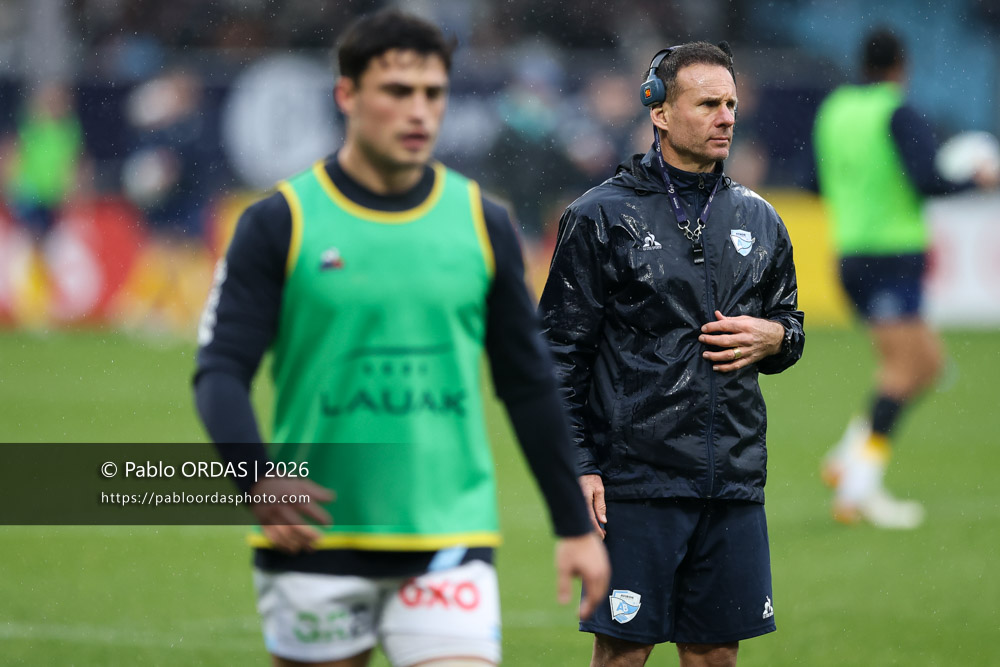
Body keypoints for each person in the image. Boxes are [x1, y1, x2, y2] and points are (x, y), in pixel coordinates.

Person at [193, 9, 609, 667]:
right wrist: (256, 478)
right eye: (397, 90)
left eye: (433, 93)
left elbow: (528, 384)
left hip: (449, 538)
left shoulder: (481, 222)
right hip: (314, 536)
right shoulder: (280, 222)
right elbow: (219, 369)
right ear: (347, 95)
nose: (419, 110)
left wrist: (573, 525)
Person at [539, 42, 804, 667]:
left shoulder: (760, 218)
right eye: (708, 104)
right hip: (636, 483)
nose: (726, 118)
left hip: (731, 479)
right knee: (624, 654)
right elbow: (558, 356)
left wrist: (777, 339)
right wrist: (580, 466)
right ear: (658, 111)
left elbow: (789, 325)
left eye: (731, 104)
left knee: (715, 656)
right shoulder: (599, 217)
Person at [812, 27, 1000, 529]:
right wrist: (978, 180)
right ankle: (858, 489)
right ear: (901, 65)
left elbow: (813, 180)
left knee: (928, 364)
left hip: (849, 253)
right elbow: (928, 180)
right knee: (900, 370)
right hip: (890, 256)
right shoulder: (897, 111)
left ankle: (847, 458)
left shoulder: (834, 111)